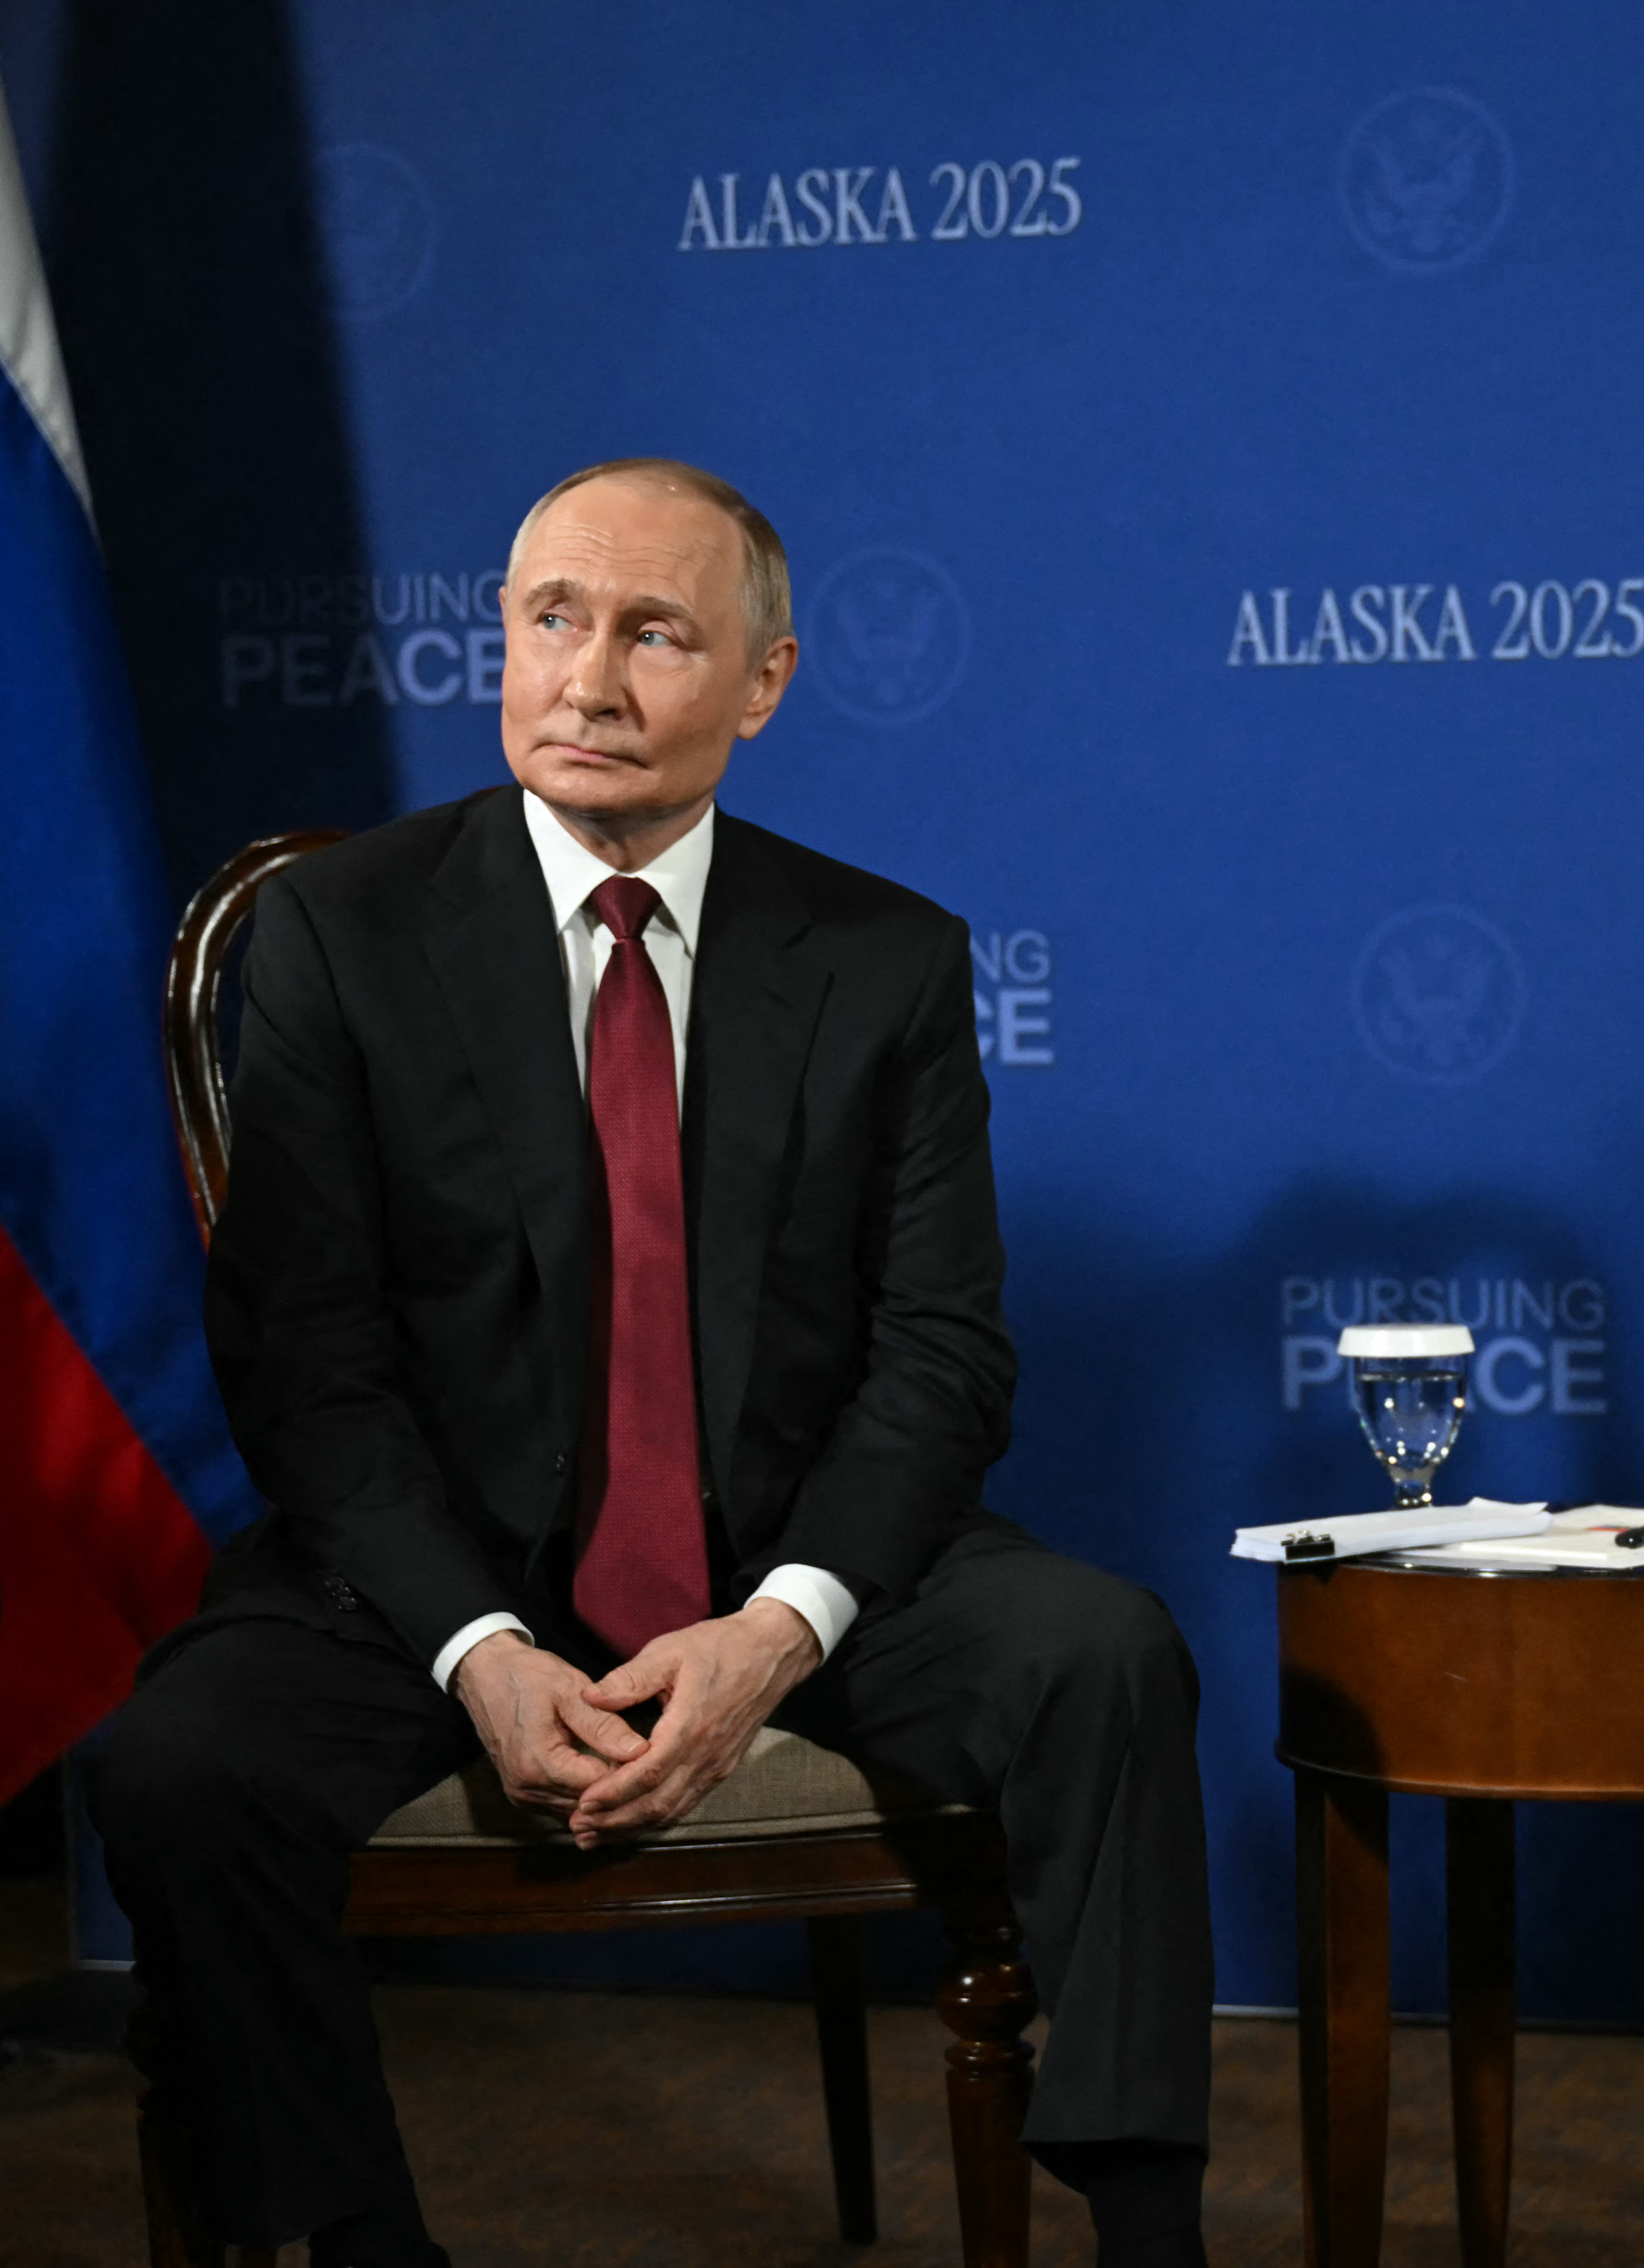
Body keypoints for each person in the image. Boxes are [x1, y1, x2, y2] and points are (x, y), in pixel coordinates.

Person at [93, 460, 1216, 2268]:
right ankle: (366, 2239)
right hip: (435, 1576)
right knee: (174, 1768)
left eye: (655, 632)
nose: (589, 678)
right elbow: (305, 1360)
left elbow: (943, 1351)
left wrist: (781, 1626)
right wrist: (482, 1647)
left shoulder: (886, 958)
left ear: (761, 681)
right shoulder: (344, 933)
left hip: (781, 1552)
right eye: (551, 619)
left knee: (1104, 1656)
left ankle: (1154, 2232)